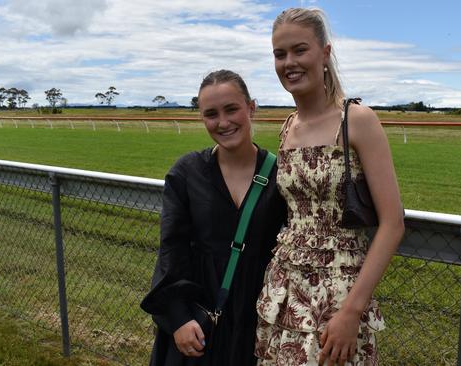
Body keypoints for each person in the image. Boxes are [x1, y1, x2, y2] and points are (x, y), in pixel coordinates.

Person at [255, 8, 405, 366]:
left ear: (325, 53)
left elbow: (393, 223)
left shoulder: (356, 120)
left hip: (338, 293)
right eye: (280, 54)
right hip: (285, 289)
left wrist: (352, 311)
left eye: (300, 50)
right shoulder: (288, 126)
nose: (289, 62)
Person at [141, 69, 287, 365]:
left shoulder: (281, 174)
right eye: (211, 114)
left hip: (255, 323)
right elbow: (172, 249)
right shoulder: (187, 172)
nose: (223, 122)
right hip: (198, 325)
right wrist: (178, 319)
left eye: (232, 109)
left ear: (251, 107)